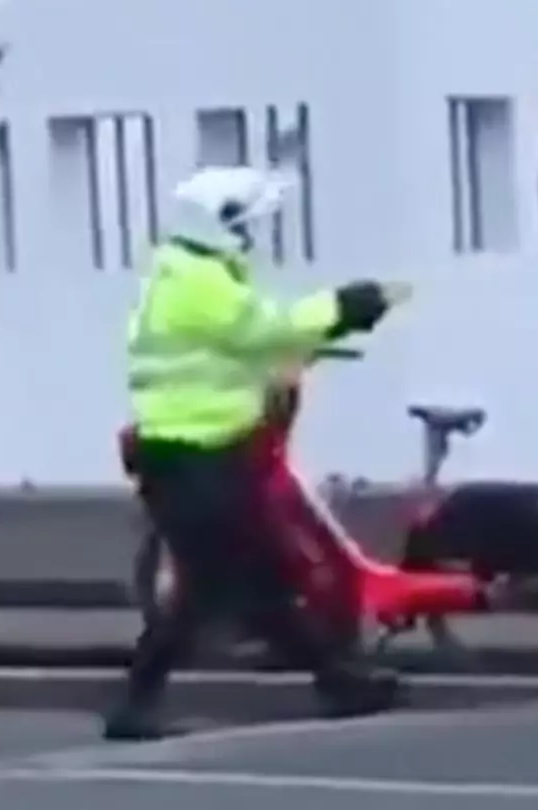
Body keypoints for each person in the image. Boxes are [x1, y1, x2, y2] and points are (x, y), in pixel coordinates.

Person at [106, 166, 413, 741]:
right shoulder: (200, 284)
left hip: (197, 456)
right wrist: (348, 304)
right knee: (232, 582)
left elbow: (239, 353)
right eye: (244, 224)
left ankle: (337, 680)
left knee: (243, 580)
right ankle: (334, 681)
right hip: (196, 459)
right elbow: (265, 329)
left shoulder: (187, 272)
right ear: (219, 225)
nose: (251, 236)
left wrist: (328, 330)